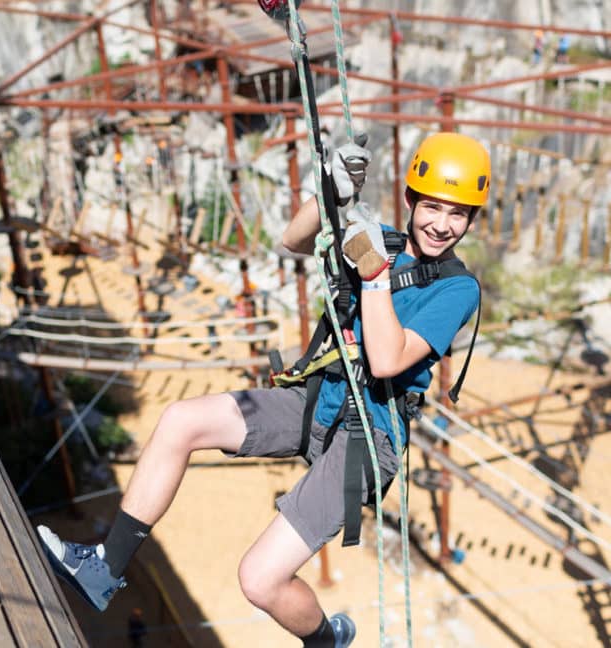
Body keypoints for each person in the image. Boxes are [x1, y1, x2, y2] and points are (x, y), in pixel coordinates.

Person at [37, 131, 490, 647]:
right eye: (433, 207)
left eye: (459, 215)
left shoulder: (458, 288)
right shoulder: (377, 238)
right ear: (410, 200)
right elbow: (293, 241)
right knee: (181, 420)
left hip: (370, 436)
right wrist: (326, 195)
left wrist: (374, 275)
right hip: (318, 399)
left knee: (259, 579)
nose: (443, 225)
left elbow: (387, 361)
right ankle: (104, 569)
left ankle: (324, 640)